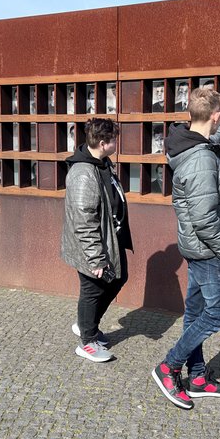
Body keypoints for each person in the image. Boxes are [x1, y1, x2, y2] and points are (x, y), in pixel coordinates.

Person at [151, 88, 220, 409]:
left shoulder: (190, 142)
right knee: (217, 316)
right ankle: (168, 367)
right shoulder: (202, 161)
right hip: (209, 250)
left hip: (195, 247)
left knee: (195, 315)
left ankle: (196, 378)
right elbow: (205, 217)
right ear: (215, 114)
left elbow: (211, 140)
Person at [62, 119, 133, 362]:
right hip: (93, 247)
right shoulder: (83, 173)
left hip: (110, 239)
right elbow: (85, 221)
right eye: (114, 139)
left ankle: (86, 324)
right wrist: (96, 258)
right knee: (92, 290)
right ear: (103, 143)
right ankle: (88, 341)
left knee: (118, 279)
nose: (117, 142)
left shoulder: (101, 163)